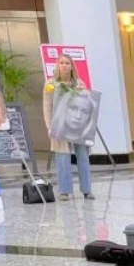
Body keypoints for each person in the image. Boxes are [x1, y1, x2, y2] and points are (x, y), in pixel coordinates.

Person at [43, 53, 94, 200]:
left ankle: (87, 190)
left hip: (78, 125)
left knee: (82, 156)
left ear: (72, 66)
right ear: (57, 65)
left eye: (67, 63)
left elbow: (88, 103)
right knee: (62, 156)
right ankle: (64, 191)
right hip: (59, 125)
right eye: (62, 62)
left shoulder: (79, 83)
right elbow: (47, 106)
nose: (64, 65)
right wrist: (49, 126)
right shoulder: (50, 84)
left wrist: (82, 93)